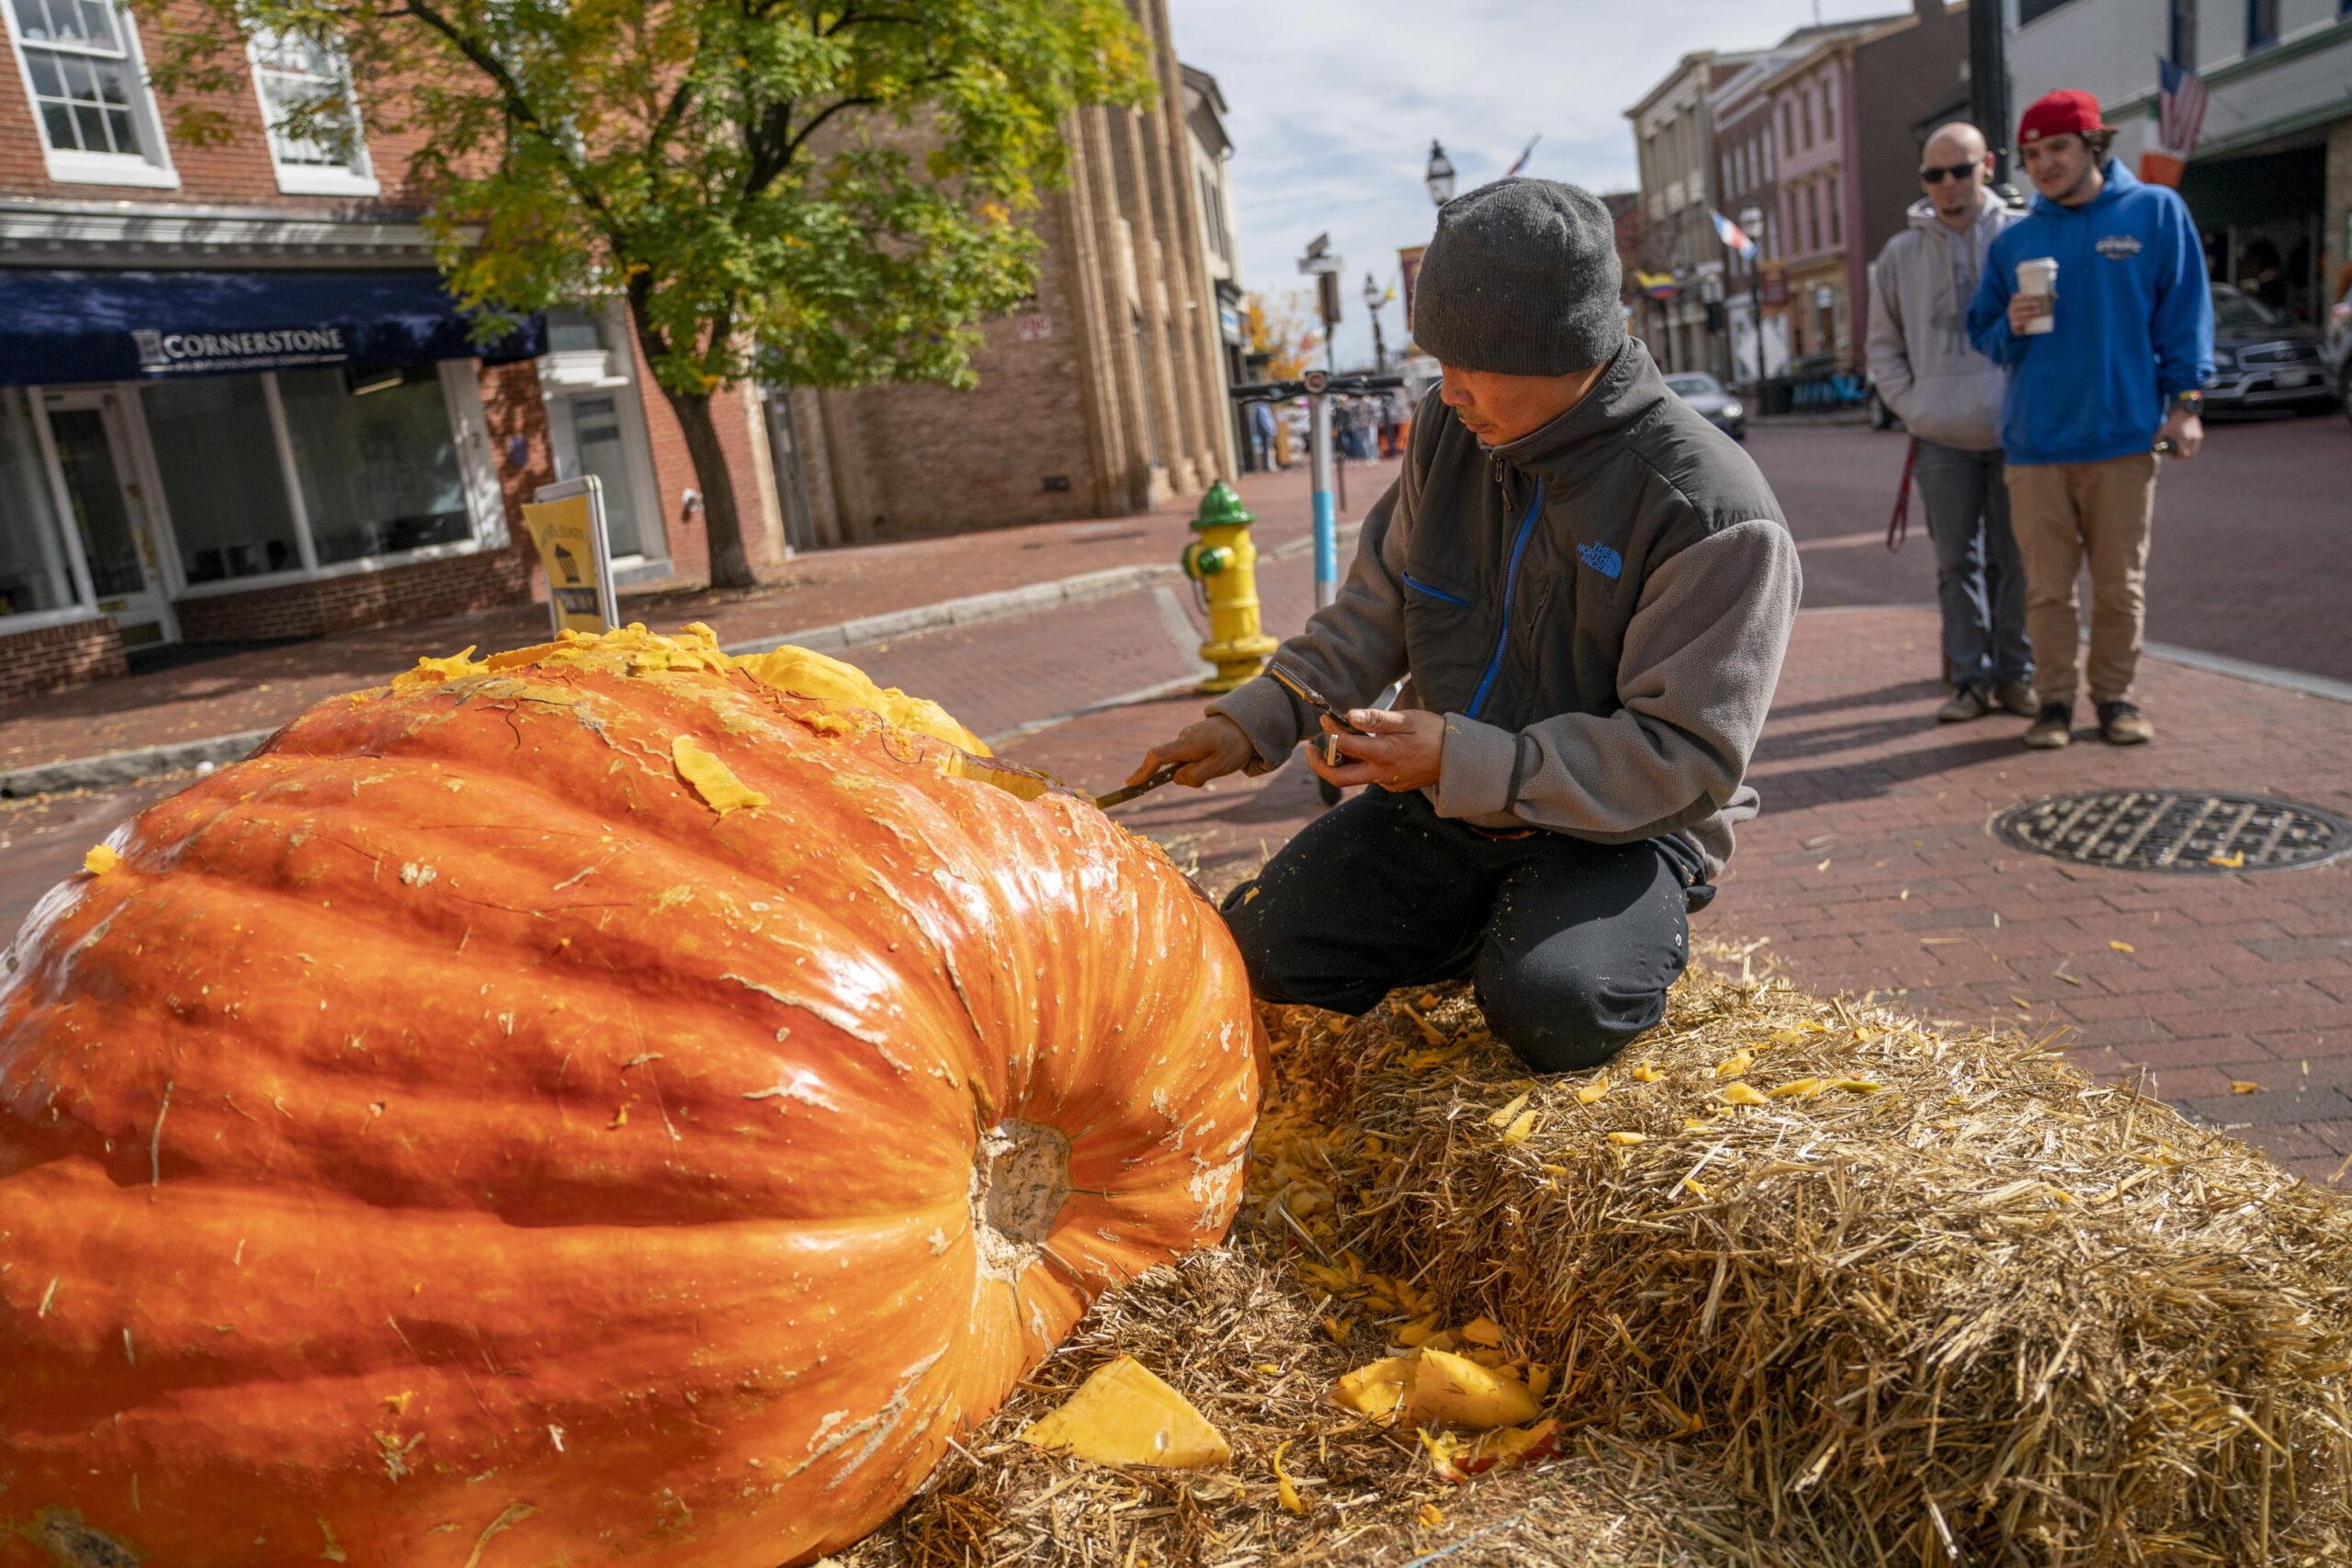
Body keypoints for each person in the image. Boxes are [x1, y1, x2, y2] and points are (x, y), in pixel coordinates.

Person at [1125, 179, 1801, 1074]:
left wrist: (1457, 757)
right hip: (1443, 805)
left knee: (1558, 1006)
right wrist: (1253, 718)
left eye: (1470, 364)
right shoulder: (1452, 433)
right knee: (1257, 951)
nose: (1446, 392)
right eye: (1437, 360)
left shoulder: (1708, 510)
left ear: (1566, 351)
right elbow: (1376, 606)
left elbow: (1680, 759)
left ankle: (1559, 935)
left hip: (1619, 829)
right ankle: (1476, 928)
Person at [1967, 90, 2213, 750]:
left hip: (2124, 439)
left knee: (2118, 586)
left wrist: (2185, 406)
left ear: (2094, 145)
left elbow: (2185, 316)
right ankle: (2053, 704)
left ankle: (2115, 697)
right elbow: (1982, 331)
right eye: (2032, 153)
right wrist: (2009, 327)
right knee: (2046, 592)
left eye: (2058, 149)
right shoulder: (2016, 239)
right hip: (2035, 443)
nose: (2043, 164)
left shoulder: (2156, 212)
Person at [1864, 121, 2034, 725]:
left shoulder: (2023, 236)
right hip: (1939, 436)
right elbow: (1881, 347)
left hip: (2017, 431)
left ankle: (2017, 675)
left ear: (1987, 164)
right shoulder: (1899, 255)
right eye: (1934, 174)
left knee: (2018, 561)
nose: (1948, 184)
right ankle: (1970, 681)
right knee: (1955, 564)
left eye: (1960, 169)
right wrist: (1916, 407)